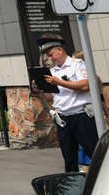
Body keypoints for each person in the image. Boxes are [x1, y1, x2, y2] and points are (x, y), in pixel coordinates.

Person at [35, 36, 98, 173]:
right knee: (69, 156)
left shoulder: (77, 64)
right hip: (63, 117)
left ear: (60, 50)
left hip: (81, 115)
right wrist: (40, 89)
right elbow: (51, 97)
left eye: (51, 55)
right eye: (48, 56)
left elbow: (85, 85)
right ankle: (71, 185)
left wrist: (59, 82)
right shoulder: (53, 72)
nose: (50, 58)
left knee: (93, 151)